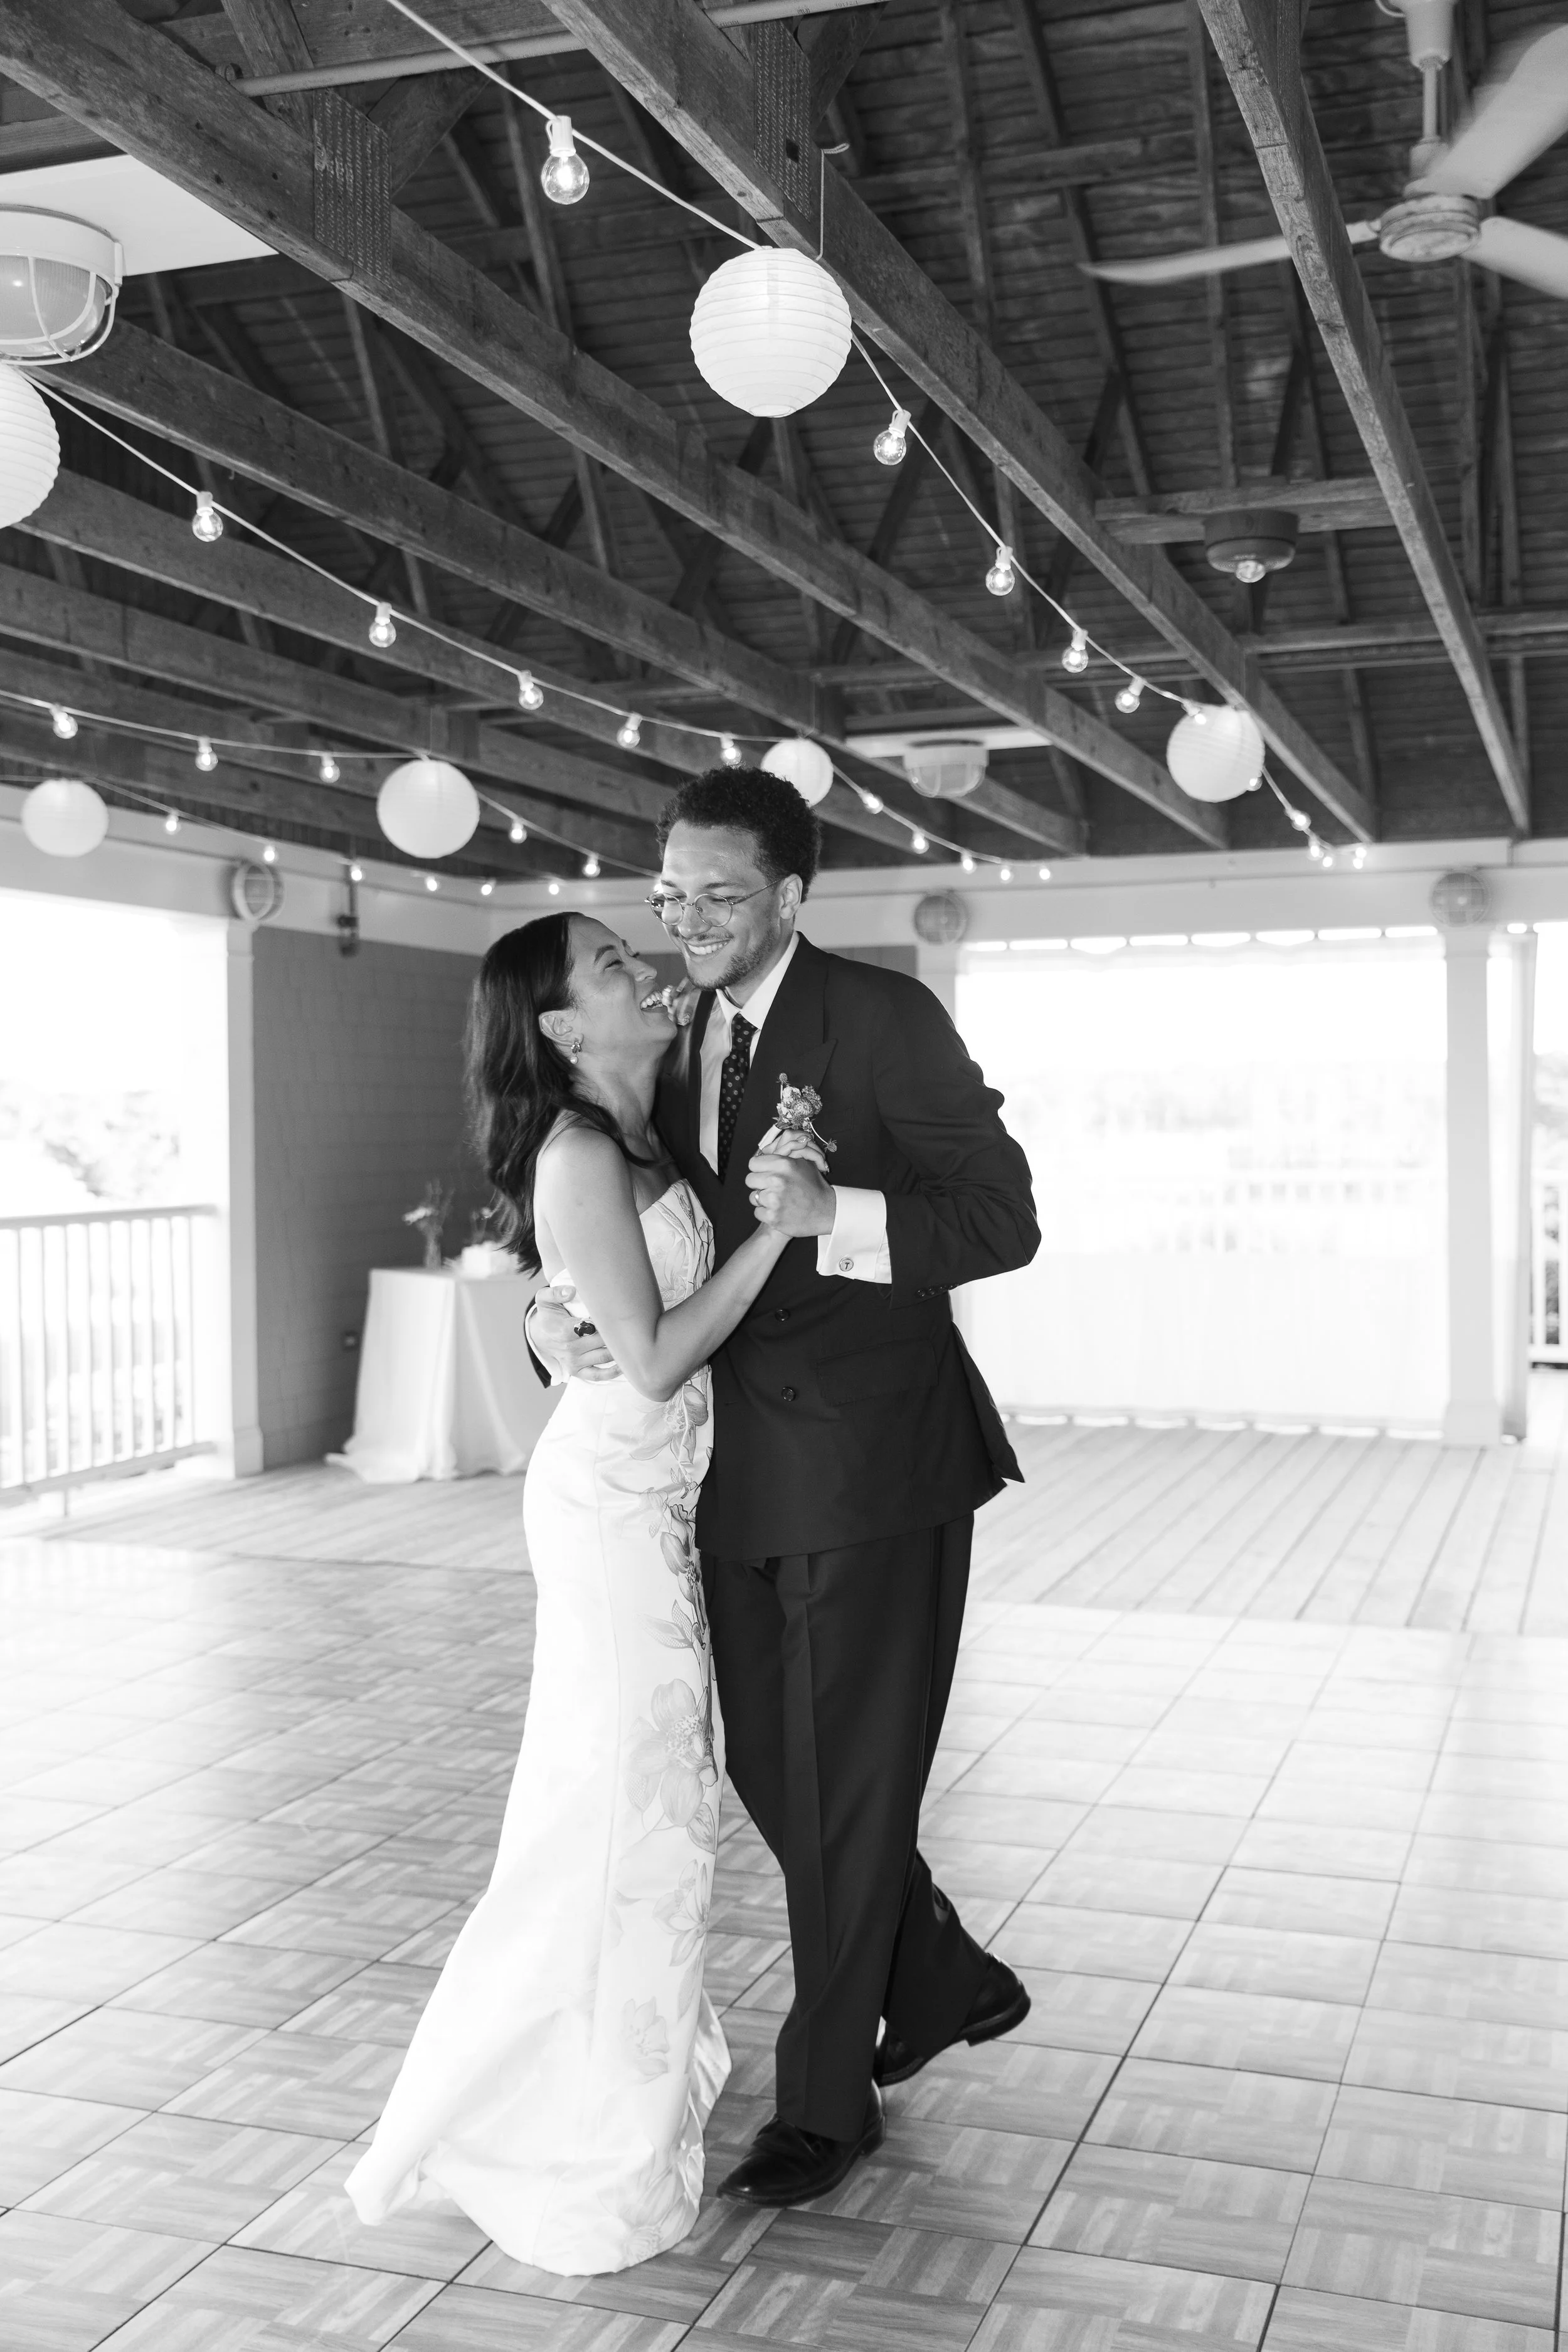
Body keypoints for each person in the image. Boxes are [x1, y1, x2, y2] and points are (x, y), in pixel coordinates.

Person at [530, 766, 1040, 2210]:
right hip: (724, 1469)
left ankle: (824, 2107)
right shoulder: (673, 1032)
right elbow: (624, 1226)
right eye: (669, 893)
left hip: (876, 1465)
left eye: (719, 896)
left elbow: (1003, 1218)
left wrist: (842, 1214)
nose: (685, 920)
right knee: (775, 1769)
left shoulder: (882, 1019)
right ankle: (933, 1971)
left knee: (841, 1779)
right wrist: (546, 1315)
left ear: (793, 898)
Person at [344, 911, 821, 2275]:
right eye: (613, 964)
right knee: (621, 1821)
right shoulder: (575, 1150)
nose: (645, 968)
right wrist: (779, 1236)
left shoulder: (647, 1127)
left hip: (665, 1511)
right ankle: (579, 2135)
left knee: (649, 1818)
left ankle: (625, 2088)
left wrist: (550, 1322)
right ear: (561, 1030)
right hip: (613, 1515)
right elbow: (659, 1357)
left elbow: (582, 1308)